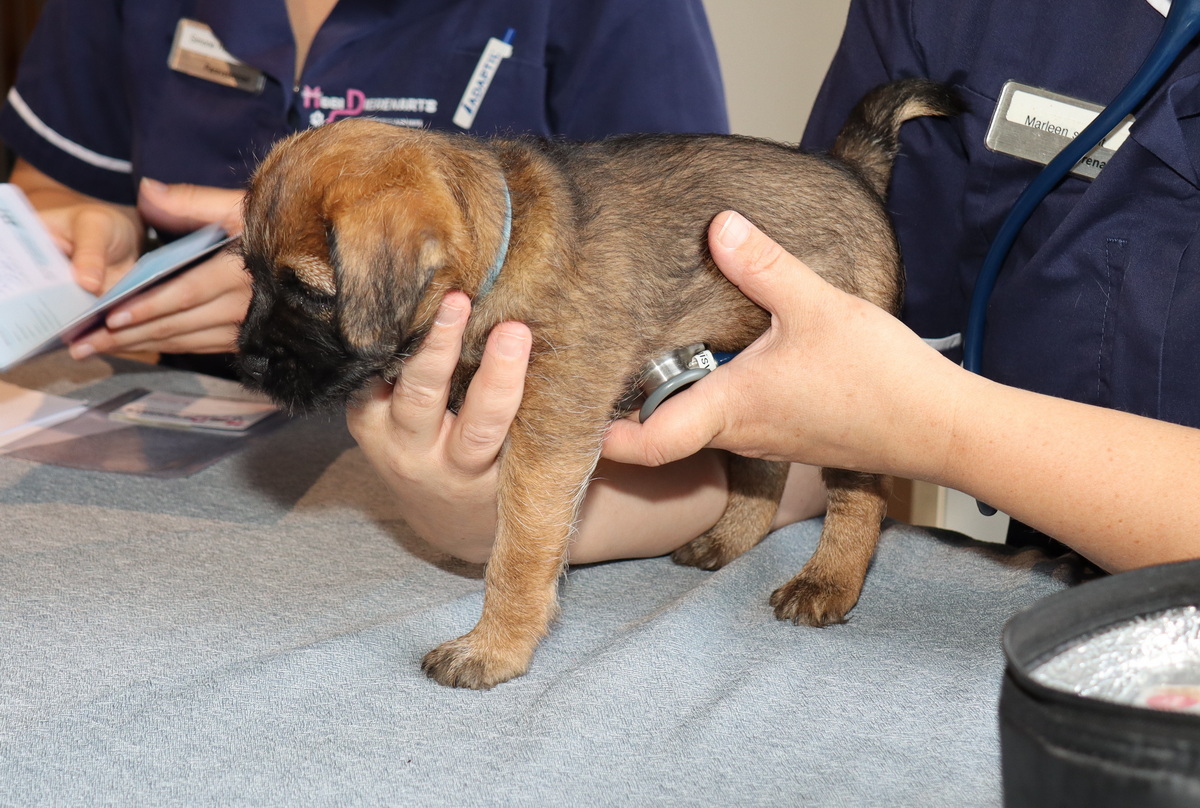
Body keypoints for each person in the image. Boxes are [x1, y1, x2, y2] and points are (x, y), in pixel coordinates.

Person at [354, 0, 1200, 571]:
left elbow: (894, 417)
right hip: (1040, 601)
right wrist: (499, 517)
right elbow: (812, 403)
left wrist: (947, 431)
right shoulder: (943, 12)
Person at [1, 0, 729, 365]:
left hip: (482, 451)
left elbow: (686, 288)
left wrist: (313, 291)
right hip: (183, 447)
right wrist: (89, 230)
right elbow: (55, 184)